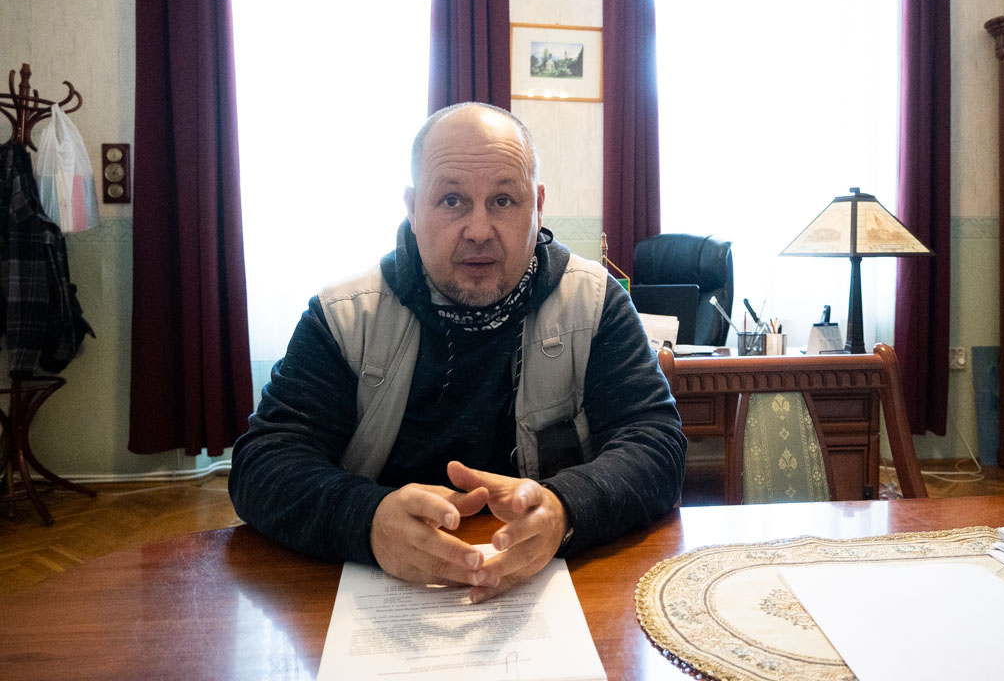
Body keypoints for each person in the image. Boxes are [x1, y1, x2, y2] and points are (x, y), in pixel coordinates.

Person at [229, 102, 685, 603]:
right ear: (412, 208)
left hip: (547, 591)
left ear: (538, 206)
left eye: (504, 201)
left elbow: (655, 444)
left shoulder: (594, 303)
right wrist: (367, 519)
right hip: (380, 593)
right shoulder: (345, 316)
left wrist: (565, 508)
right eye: (451, 200)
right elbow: (263, 465)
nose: (479, 230)